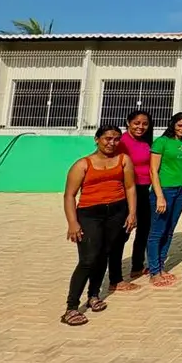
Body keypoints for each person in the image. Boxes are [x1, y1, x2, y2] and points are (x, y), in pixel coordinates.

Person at [61, 125, 137, 325]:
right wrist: (72, 223)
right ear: (97, 139)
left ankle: (93, 295)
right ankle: (71, 308)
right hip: (90, 214)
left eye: (116, 139)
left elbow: (130, 187)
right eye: (107, 138)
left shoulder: (123, 160)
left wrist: (132, 213)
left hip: (117, 212)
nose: (112, 143)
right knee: (88, 259)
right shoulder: (83, 164)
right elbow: (69, 196)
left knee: (104, 254)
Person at [147, 112, 182, 287]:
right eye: (180, 125)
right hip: (164, 191)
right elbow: (153, 171)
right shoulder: (162, 142)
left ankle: (161, 267)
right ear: (173, 124)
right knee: (157, 232)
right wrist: (159, 196)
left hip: (181, 190)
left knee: (169, 230)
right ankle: (154, 272)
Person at [114, 110, 153, 285]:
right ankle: (115, 276)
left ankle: (137, 266)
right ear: (128, 122)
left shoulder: (146, 141)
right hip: (126, 191)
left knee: (144, 229)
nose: (141, 127)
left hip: (144, 190)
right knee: (122, 233)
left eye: (145, 124)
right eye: (137, 123)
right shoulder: (121, 142)